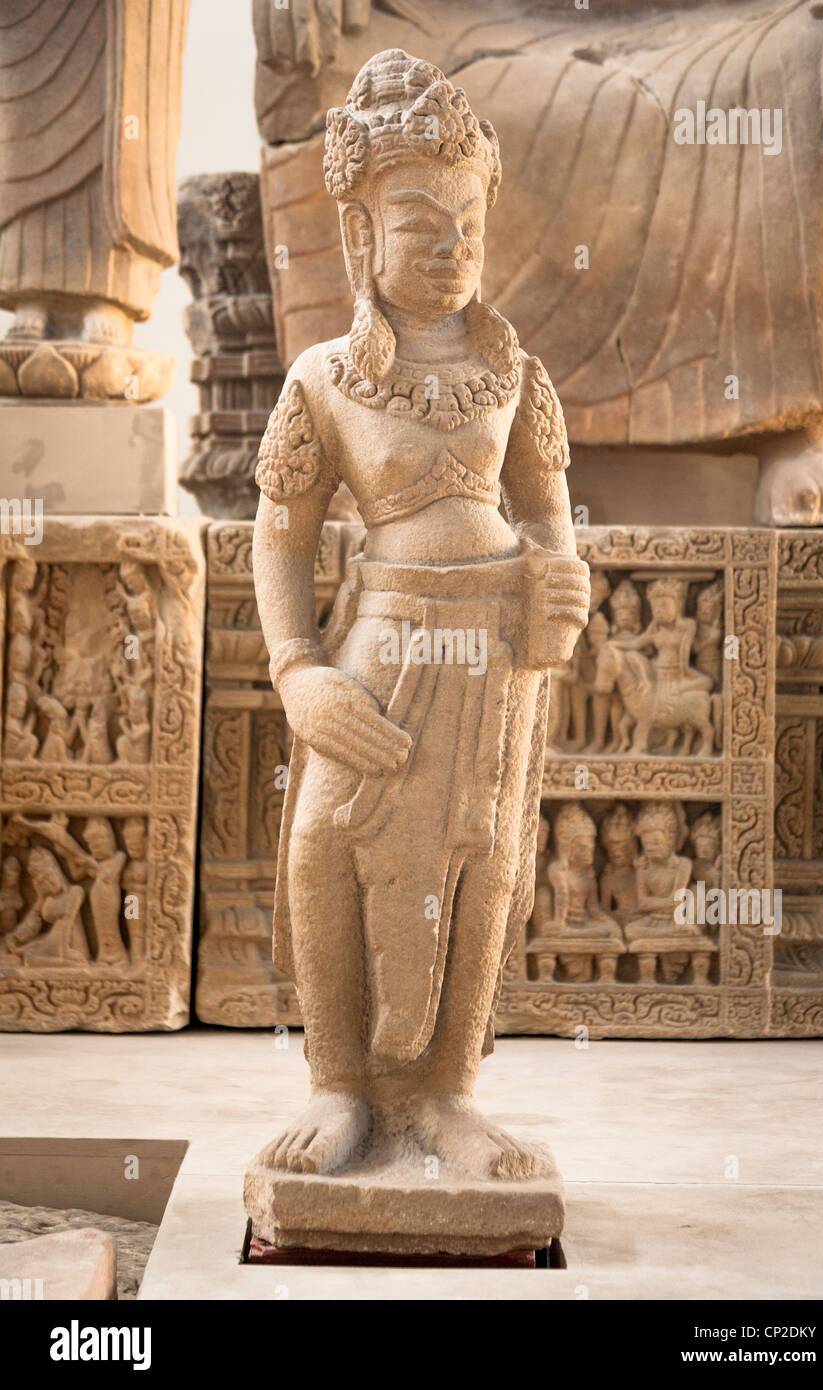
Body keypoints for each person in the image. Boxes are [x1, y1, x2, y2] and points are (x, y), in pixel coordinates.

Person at [252, 50, 590, 1181]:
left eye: (465, 224)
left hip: (494, 655)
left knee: (484, 855)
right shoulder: (324, 381)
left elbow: (548, 515)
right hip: (383, 641)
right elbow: (283, 537)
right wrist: (299, 668)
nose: (449, 247)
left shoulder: (514, 372)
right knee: (322, 841)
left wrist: (558, 582)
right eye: (417, 224)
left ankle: (448, 1092)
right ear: (357, 235)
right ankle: (339, 1082)